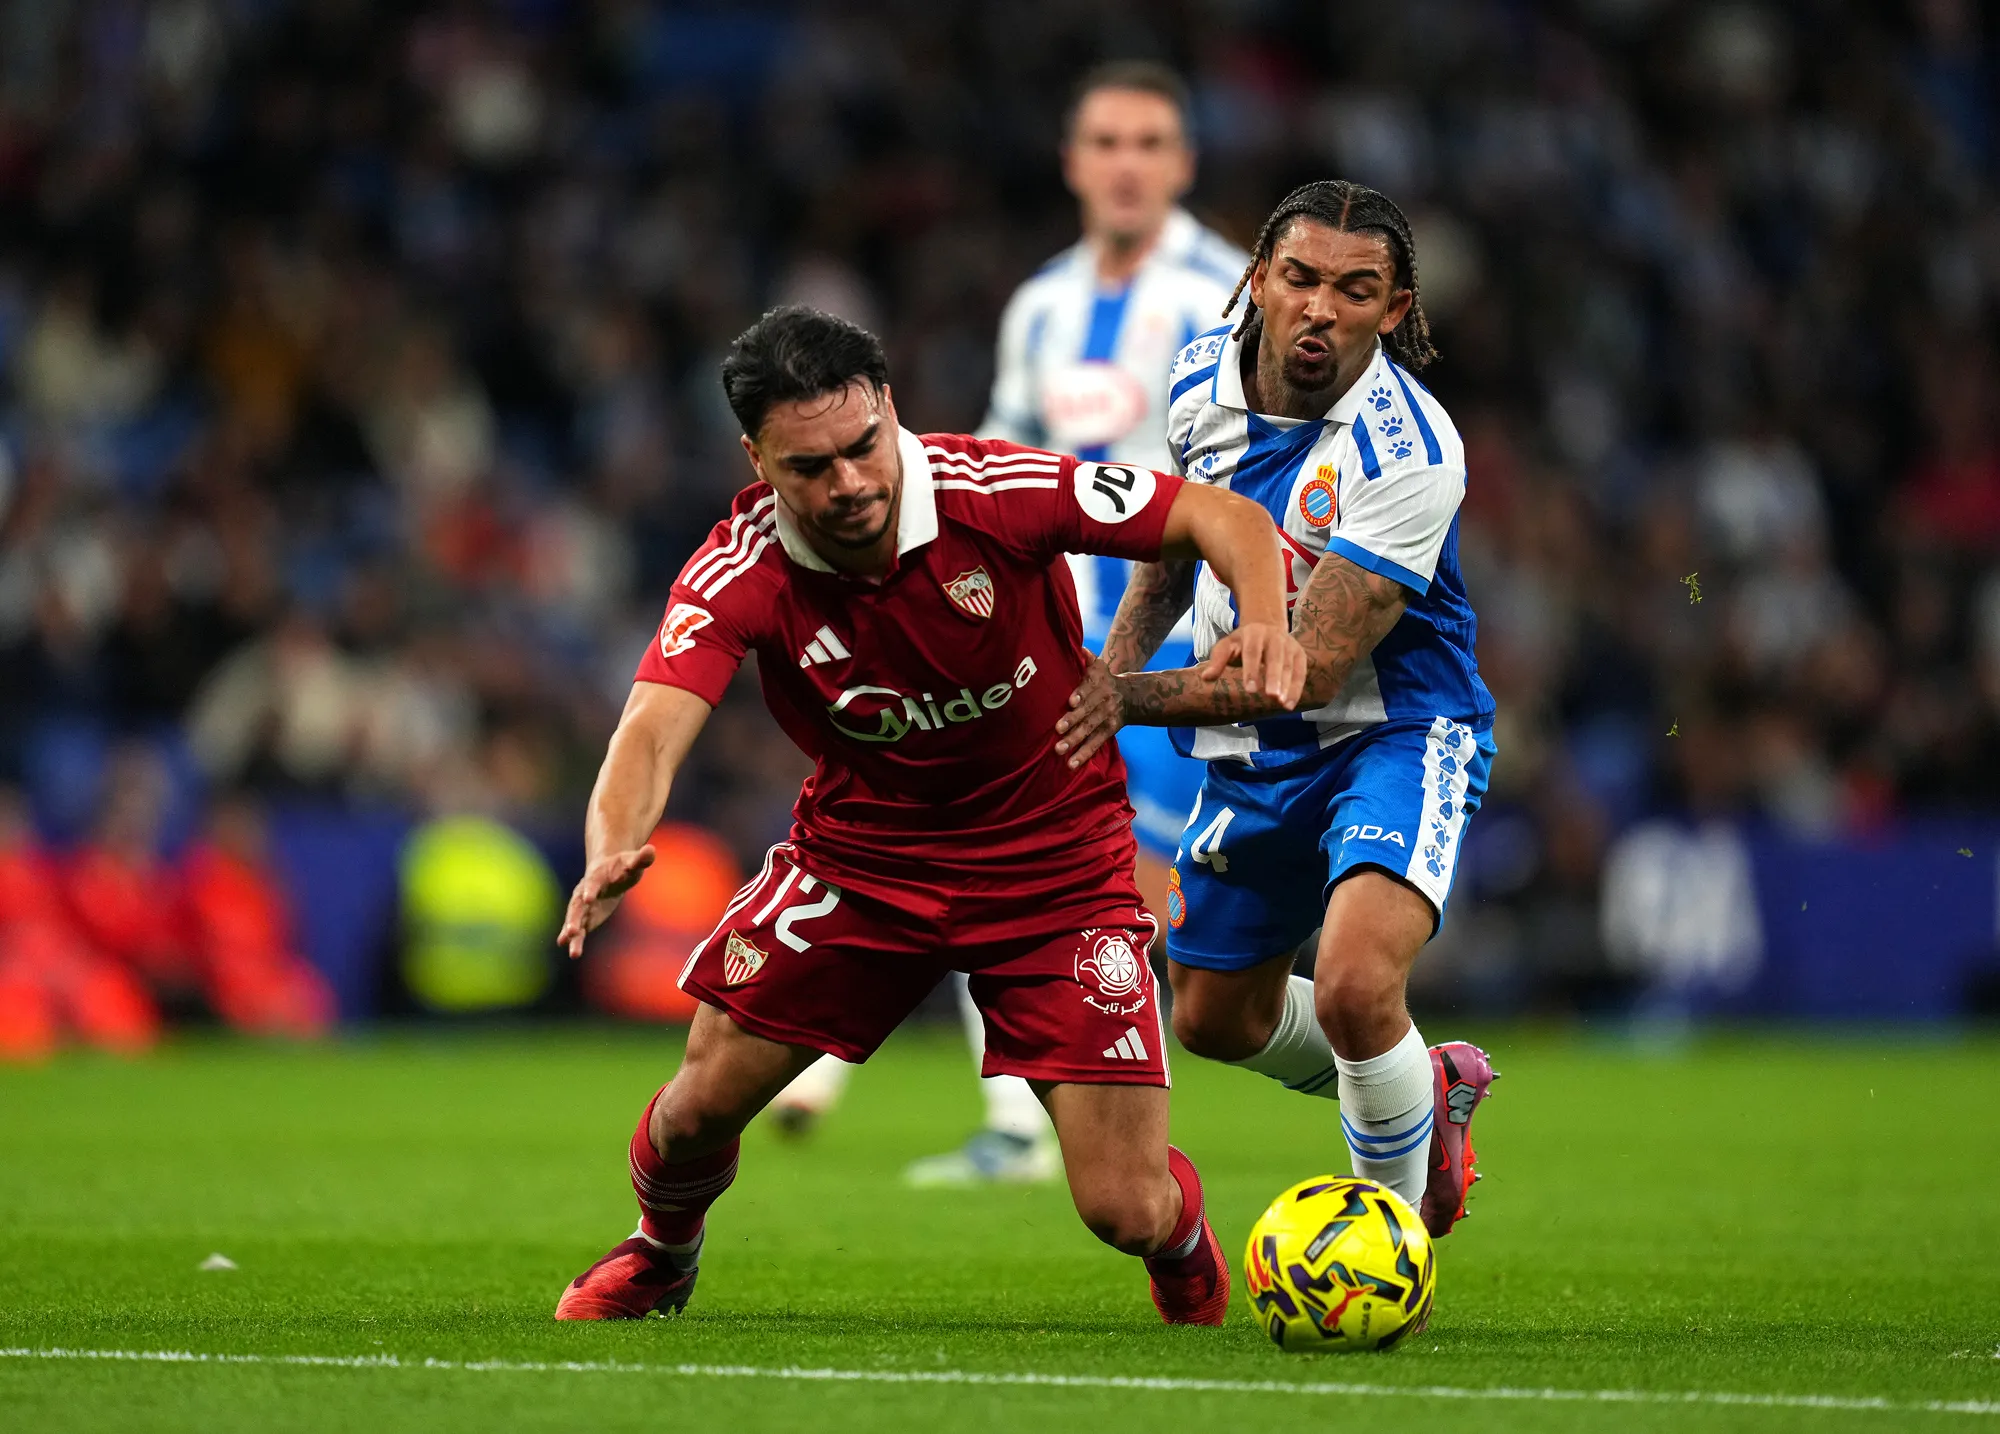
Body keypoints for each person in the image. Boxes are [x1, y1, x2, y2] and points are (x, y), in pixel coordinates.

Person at [552, 305, 1307, 1322]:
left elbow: (1226, 520)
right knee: (692, 1113)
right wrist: (612, 845)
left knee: (1125, 1206)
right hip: (864, 865)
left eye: (862, 447)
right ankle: (659, 1254)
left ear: (888, 409)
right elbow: (649, 727)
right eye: (808, 467)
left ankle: (1178, 1248)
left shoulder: (998, 491)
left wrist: (1260, 626)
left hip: (1057, 867)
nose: (849, 483)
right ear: (756, 459)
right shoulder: (741, 569)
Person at [774, 61, 1250, 1188]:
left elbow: (1248, 474)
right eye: (1105, 142)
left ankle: (1359, 1063)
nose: (1125, 164)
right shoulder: (1041, 305)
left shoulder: (1227, 293)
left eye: (1148, 143)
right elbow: (986, 451)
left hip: (1175, 635)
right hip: (1035, 635)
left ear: (1180, 164)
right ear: (1072, 162)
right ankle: (1024, 1124)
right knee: (989, 831)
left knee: (1165, 903)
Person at [1053, 180, 1497, 1238]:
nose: (1318, 308)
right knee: (1213, 1019)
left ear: (1392, 311)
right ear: (1257, 279)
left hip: (1395, 733)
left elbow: (1297, 669)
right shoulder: (1199, 375)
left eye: (1355, 290)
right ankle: (1416, 1087)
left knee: (1349, 985)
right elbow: (1172, 545)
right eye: (1297, 278)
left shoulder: (1409, 454)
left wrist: (1113, 699)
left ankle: (1386, 1240)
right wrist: (1100, 669)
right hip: (1255, 756)